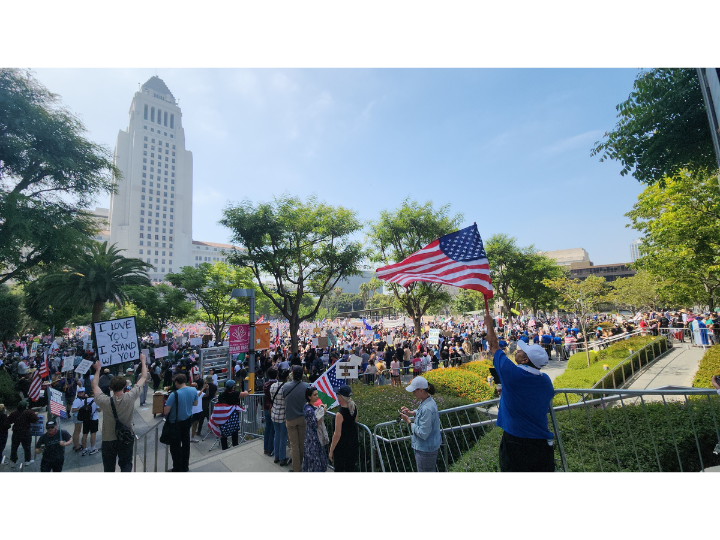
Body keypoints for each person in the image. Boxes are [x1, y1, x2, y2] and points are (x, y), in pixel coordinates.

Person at [485, 313, 555, 472]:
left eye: (522, 352)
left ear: (525, 360)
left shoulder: (513, 375)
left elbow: (494, 346)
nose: (517, 350)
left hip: (516, 443)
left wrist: (489, 324)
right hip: (542, 445)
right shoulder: (545, 381)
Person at [92, 356, 147, 472]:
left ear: (110, 388)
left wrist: (97, 370)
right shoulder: (130, 397)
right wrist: (143, 361)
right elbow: (144, 377)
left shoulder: (105, 401)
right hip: (126, 437)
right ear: (124, 387)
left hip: (108, 439)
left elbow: (95, 386)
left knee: (108, 467)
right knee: (126, 464)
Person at [399, 376, 441, 472]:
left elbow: (423, 433)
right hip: (427, 448)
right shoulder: (428, 401)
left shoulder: (427, 407)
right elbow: (422, 413)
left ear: (421, 390)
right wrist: (411, 413)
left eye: (414, 391)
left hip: (425, 449)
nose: (413, 394)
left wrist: (409, 422)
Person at [163, 374, 199, 472]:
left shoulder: (174, 394)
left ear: (176, 382)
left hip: (175, 423)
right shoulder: (193, 390)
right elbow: (195, 403)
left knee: (175, 447)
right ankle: (185, 466)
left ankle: (177, 467)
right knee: (186, 444)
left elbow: (166, 411)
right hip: (187, 420)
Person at [284, 366, 310, 472]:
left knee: (294, 445)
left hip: (290, 418)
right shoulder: (307, 386)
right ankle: (303, 465)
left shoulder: (286, 387)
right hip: (303, 417)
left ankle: (296, 468)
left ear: (292, 374)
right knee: (302, 443)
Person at [328, 385, 358, 472]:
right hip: (352, 443)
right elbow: (355, 420)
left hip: (342, 447)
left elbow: (337, 435)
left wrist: (331, 450)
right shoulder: (354, 407)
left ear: (340, 397)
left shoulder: (340, 414)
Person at [217, 379, 249, 450]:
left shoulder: (222, 394)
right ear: (232, 387)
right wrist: (247, 391)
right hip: (233, 416)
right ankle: (235, 447)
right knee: (234, 432)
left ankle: (224, 448)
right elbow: (245, 394)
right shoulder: (235, 394)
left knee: (224, 433)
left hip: (223, 416)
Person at [301, 386, 328, 472]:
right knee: (314, 462)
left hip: (314, 437)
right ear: (309, 397)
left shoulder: (309, 406)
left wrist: (319, 409)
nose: (317, 396)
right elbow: (315, 424)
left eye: (317, 394)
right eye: (314, 395)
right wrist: (322, 413)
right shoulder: (308, 409)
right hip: (313, 439)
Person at [7, 400, 38, 467]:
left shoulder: (14, 413)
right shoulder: (29, 412)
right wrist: (35, 414)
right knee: (27, 447)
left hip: (16, 432)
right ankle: (27, 461)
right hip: (26, 432)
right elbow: (35, 420)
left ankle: (13, 461)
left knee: (14, 448)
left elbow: (9, 421)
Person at [270, 369, 290, 466]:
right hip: (283, 414)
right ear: (286, 377)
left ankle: (276, 456)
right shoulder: (286, 388)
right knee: (283, 437)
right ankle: (282, 458)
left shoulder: (273, 386)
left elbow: (271, 398)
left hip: (274, 413)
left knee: (276, 435)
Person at [71, 387, 99, 456]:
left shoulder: (84, 401)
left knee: (84, 434)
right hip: (94, 419)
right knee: (93, 433)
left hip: (86, 419)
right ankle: (92, 448)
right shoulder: (96, 401)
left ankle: (84, 449)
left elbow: (81, 409)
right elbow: (100, 409)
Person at [262, 368, 278, 457]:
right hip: (273, 407)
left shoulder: (266, 384)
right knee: (272, 429)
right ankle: (270, 449)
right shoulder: (276, 385)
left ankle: (266, 448)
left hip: (266, 407)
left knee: (267, 428)